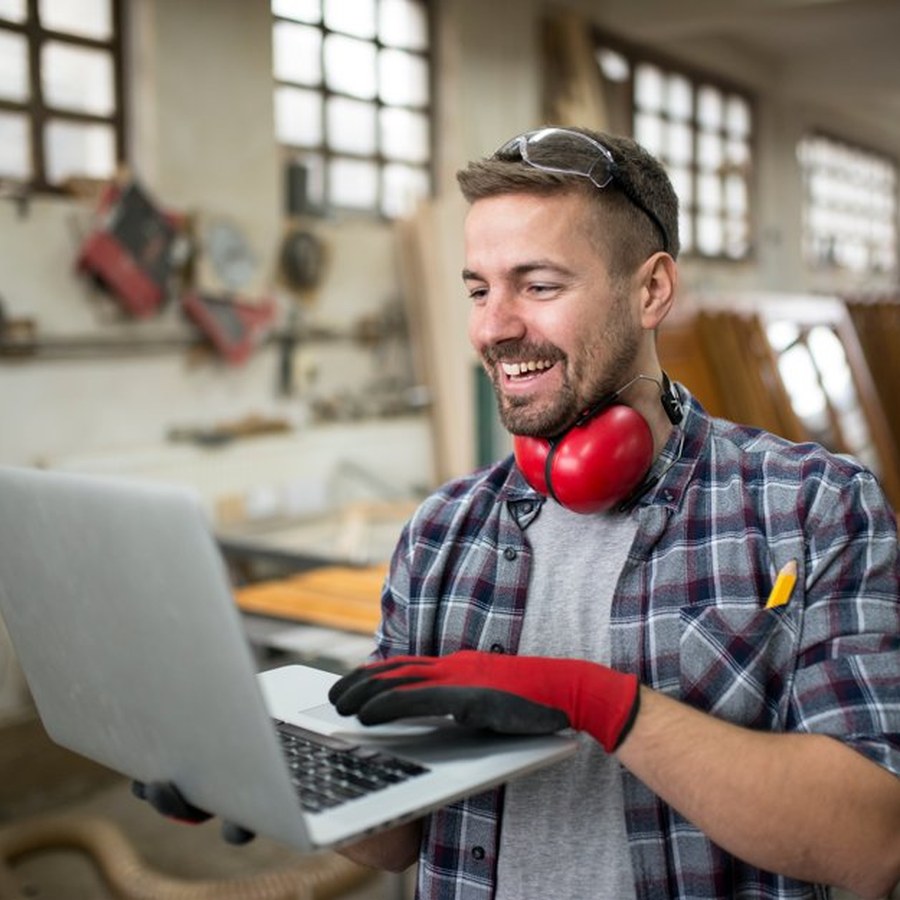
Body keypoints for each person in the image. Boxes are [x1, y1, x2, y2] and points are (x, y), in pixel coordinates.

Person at [327, 126, 900, 900]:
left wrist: (593, 700)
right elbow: (397, 838)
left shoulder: (811, 509)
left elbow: (871, 841)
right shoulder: (443, 531)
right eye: (478, 289)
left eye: (537, 285)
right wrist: (271, 782)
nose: (494, 326)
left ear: (651, 290)